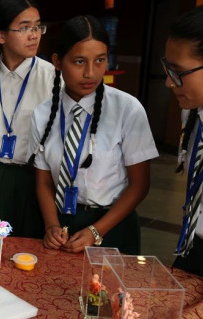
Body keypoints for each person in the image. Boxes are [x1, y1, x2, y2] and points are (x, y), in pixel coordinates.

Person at [28, 15, 158, 254]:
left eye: (100, 60)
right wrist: (51, 226)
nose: (90, 73)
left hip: (112, 224)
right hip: (63, 224)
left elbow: (139, 185)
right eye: (79, 61)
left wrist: (96, 231)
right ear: (57, 61)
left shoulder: (127, 109)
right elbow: (44, 181)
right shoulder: (43, 113)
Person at [0, 0, 55, 237]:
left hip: (32, 179)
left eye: (37, 27)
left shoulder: (52, 79)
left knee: (27, 255)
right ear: (1, 36)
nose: (34, 35)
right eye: (24, 28)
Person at [163, 3, 203, 279]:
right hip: (192, 251)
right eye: (167, 69)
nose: (169, 83)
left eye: (178, 72)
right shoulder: (193, 114)